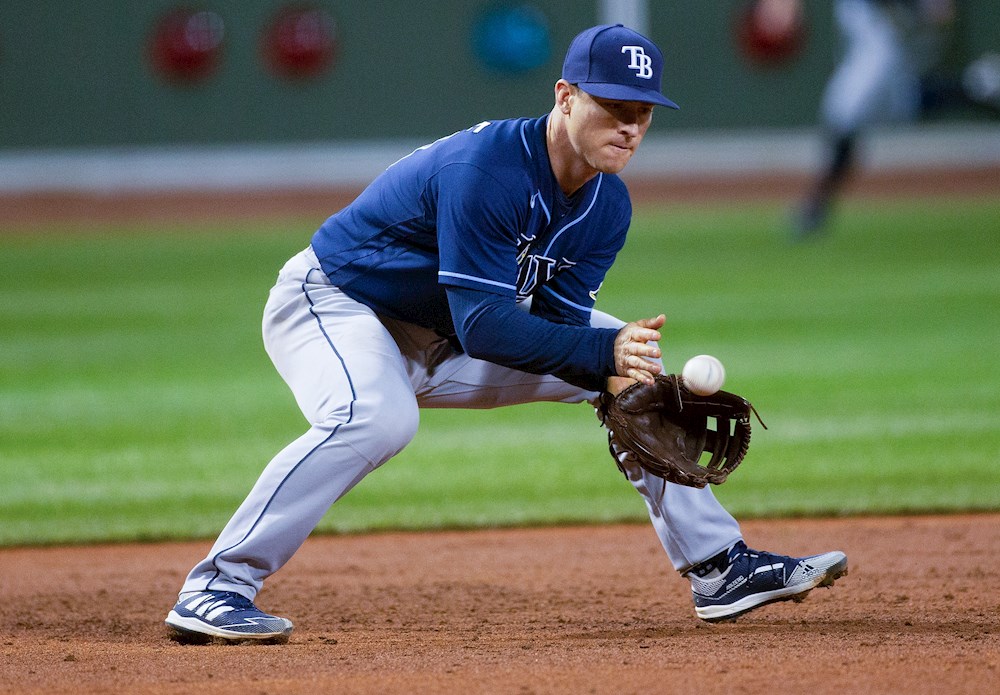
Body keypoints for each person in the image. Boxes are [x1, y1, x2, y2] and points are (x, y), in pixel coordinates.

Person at [165, 24, 848, 644]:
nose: (630, 127)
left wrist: (613, 371)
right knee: (375, 416)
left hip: (446, 335)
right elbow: (488, 325)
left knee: (635, 374)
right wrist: (598, 355)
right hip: (340, 307)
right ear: (565, 96)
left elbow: (554, 319)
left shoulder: (607, 205)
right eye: (614, 107)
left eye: (642, 114)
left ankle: (719, 567)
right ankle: (217, 586)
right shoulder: (486, 168)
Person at [794, 0, 998, 237]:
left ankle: (816, 203)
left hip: (878, 36)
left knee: (845, 112)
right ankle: (979, 84)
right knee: (903, 103)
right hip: (868, 31)